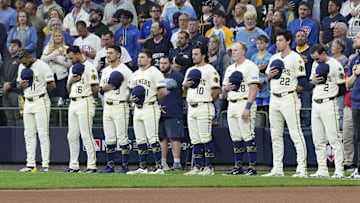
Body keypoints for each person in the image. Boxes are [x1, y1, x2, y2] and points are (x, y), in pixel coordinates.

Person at [262, 30, 308, 177]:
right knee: (275, 135)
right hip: (274, 97)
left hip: (289, 97)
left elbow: (302, 82)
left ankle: (302, 168)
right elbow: (269, 76)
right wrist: (268, 76)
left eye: (281, 40)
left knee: (296, 133)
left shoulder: (296, 58)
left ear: (288, 41)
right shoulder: (274, 57)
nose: (278, 43)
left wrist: (293, 90)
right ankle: (277, 168)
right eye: (277, 40)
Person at [126, 48, 169, 174]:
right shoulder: (135, 74)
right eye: (139, 57)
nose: (140, 59)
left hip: (150, 107)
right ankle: (143, 167)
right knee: (140, 139)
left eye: (143, 57)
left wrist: (152, 99)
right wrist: (132, 99)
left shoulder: (154, 72)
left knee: (153, 138)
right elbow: (131, 91)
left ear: (149, 59)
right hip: (137, 109)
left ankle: (159, 167)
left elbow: (163, 91)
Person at [182, 43, 220, 176]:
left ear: (203, 55)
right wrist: (185, 86)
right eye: (193, 54)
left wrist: (207, 102)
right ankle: (197, 166)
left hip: (204, 105)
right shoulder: (190, 70)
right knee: (195, 139)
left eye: (196, 54)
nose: (193, 56)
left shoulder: (210, 69)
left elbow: (215, 90)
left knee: (205, 137)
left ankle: (209, 167)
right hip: (191, 106)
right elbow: (184, 89)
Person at [309, 44, 346, 178]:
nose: (316, 61)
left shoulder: (335, 65)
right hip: (316, 102)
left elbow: (342, 87)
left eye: (318, 58)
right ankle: (322, 170)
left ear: (324, 53)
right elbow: (310, 83)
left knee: (334, 138)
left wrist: (332, 95)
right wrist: (313, 81)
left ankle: (339, 170)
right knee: (318, 140)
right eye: (314, 58)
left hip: (329, 103)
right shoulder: (315, 64)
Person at [222, 42, 259, 175]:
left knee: (248, 135)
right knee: (236, 137)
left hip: (244, 102)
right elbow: (224, 88)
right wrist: (226, 88)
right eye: (232, 50)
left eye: (236, 50)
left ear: (244, 51)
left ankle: (252, 168)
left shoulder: (250, 66)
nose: (233, 52)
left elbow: (254, 88)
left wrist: (248, 107)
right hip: (232, 102)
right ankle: (238, 167)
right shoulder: (230, 68)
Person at [16, 48, 56, 172]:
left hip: (41, 100)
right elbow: (18, 84)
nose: (23, 64)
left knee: (43, 133)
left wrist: (41, 87)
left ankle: (45, 165)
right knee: (28, 133)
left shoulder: (42, 66)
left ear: (29, 56)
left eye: (24, 61)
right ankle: (30, 164)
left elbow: (52, 84)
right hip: (28, 101)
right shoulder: (21, 67)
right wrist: (20, 85)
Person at [65, 45, 99, 173]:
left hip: (85, 100)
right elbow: (68, 90)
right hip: (73, 101)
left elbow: (95, 86)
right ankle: (74, 165)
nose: (70, 60)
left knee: (86, 134)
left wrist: (88, 95)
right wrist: (71, 82)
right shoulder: (72, 68)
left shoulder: (89, 67)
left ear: (78, 53)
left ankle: (92, 165)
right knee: (72, 135)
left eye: (72, 57)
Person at [100, 45, 133, 173]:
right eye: (107, 53)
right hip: (108, 105)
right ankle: (110, 166)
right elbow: (102, 88)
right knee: (109, 138)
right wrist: (106, 88)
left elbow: (132, 87)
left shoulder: (125, 70)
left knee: (122, 137)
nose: (108, 55)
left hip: (120, 104)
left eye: (111, 53)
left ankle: (125, 166)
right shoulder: (106, 70)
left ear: (118, 55)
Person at [158, 55, 184, 170]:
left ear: (171, 64)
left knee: (174, 137)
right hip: (159, 111)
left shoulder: (177, 76)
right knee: (161, 138)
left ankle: (177, 162)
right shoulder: (157, 76)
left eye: (165, 63)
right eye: (161, 63)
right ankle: (163, 162)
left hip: (173, 110)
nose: (162, 65)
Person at [41, 31, 72, 105]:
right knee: (51, 96)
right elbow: (42, 60)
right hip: (51, 76)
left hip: (62, 76)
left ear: (62, 37)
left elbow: (70, 64)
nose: (57, 37)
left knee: (62, 96)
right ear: (52, 38)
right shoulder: (48, 47)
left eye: (59, 36)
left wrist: (59, 61)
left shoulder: (66, 48)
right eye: (55, 36)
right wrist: (54, 53)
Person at [346, 32, 360, 178]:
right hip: (356, 102)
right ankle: (358, 168)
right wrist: (356, 74)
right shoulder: (355, 60)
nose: (355, 40)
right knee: (358, 137)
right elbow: (348, 84)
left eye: (358, 37)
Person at [0, 39, 22, 126]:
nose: (11, 47)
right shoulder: (6, 60)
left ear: (19, 48)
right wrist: (4, 83)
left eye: (14, 46)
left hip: (16, 92)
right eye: (10, 45)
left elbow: (19, 75)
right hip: (5, 92)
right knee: (8, 117)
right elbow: (0, 74)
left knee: (17, 116)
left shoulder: (21, 60)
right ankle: (11, 139)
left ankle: (19, 138)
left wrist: (10, 84)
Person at [293, 29, 313, 127]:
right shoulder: (291, 52)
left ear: (307, 38)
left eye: (302, 36)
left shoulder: (312, 51)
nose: (300, 38)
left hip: (307, 85)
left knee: (306, 110)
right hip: (293, 85)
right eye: (298, 36)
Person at [251, 35, 272, 112]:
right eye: (257, 43)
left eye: (261, 43)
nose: (259, 45)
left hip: (267, 88)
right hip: (256, 90)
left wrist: (265, 78)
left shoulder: (270, 57)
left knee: (266, 109)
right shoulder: (253, 57)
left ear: (266, 44)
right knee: (257, 110)